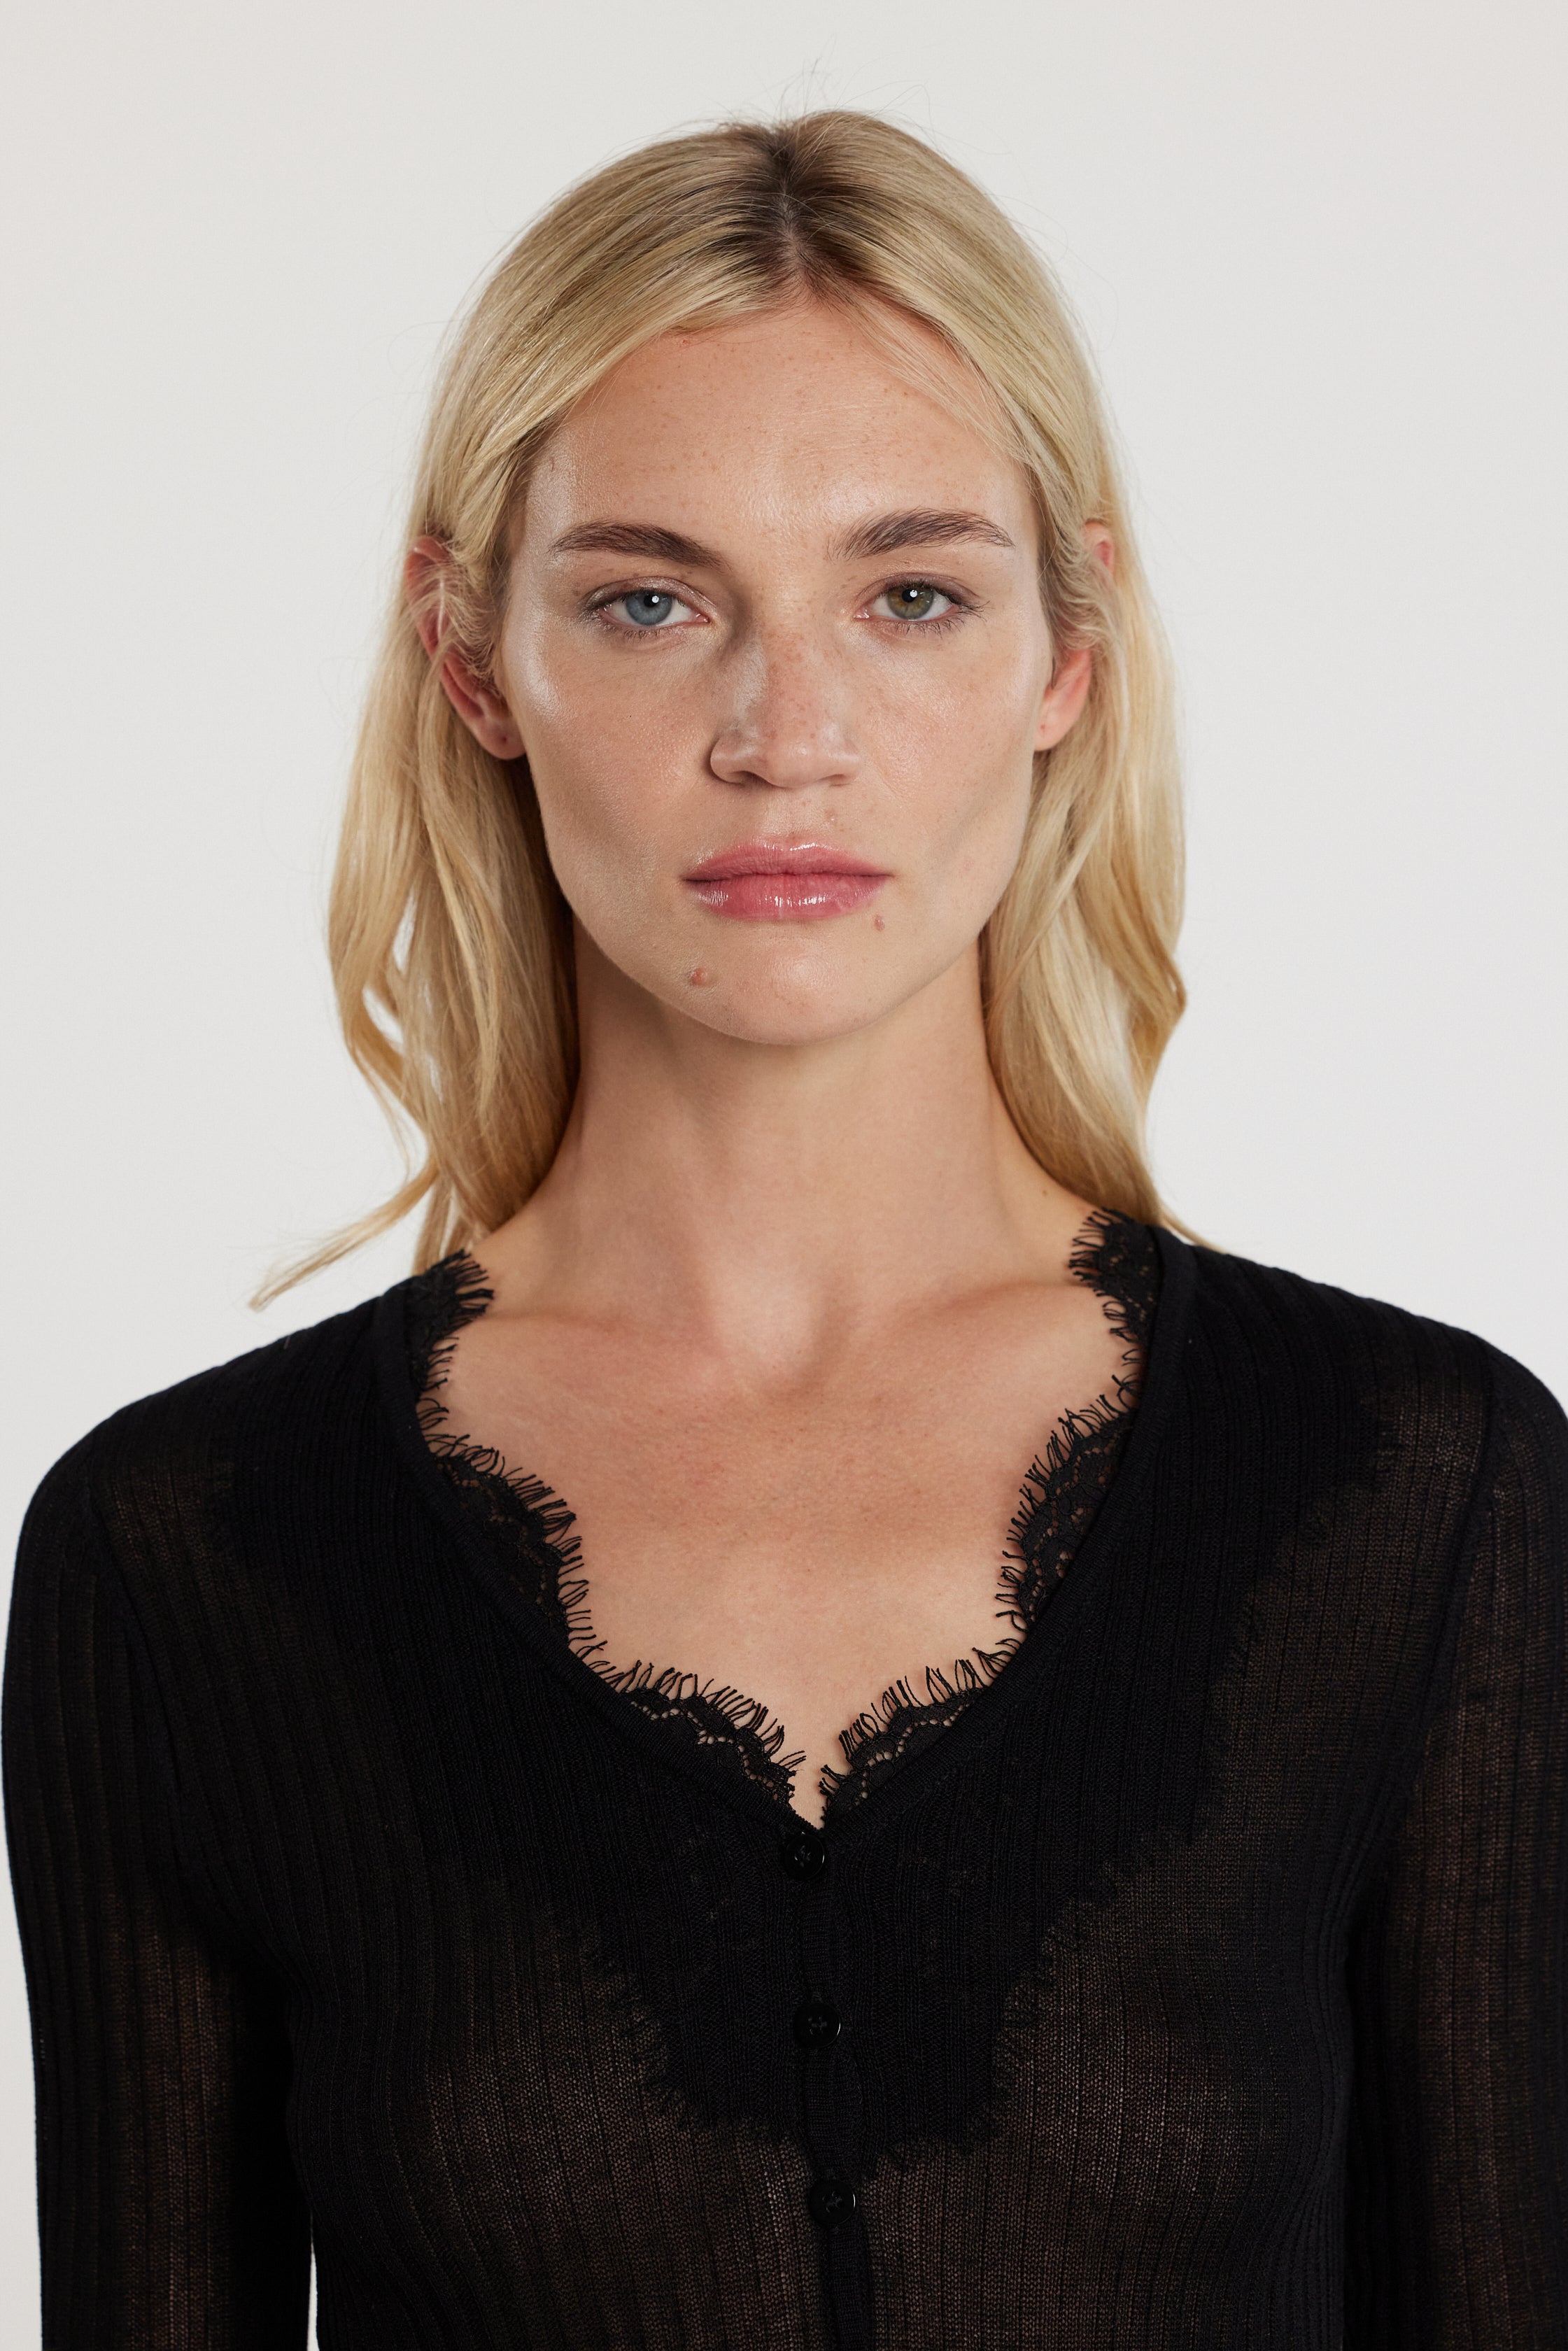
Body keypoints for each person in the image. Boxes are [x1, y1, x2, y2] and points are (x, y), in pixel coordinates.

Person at [4, 108, 1564, 2351]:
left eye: (909, 595)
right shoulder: (185, 1554)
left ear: (1065, 651)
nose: (784, 735)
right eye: (647, 602)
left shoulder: (1411, 1486)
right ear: (472, 660)